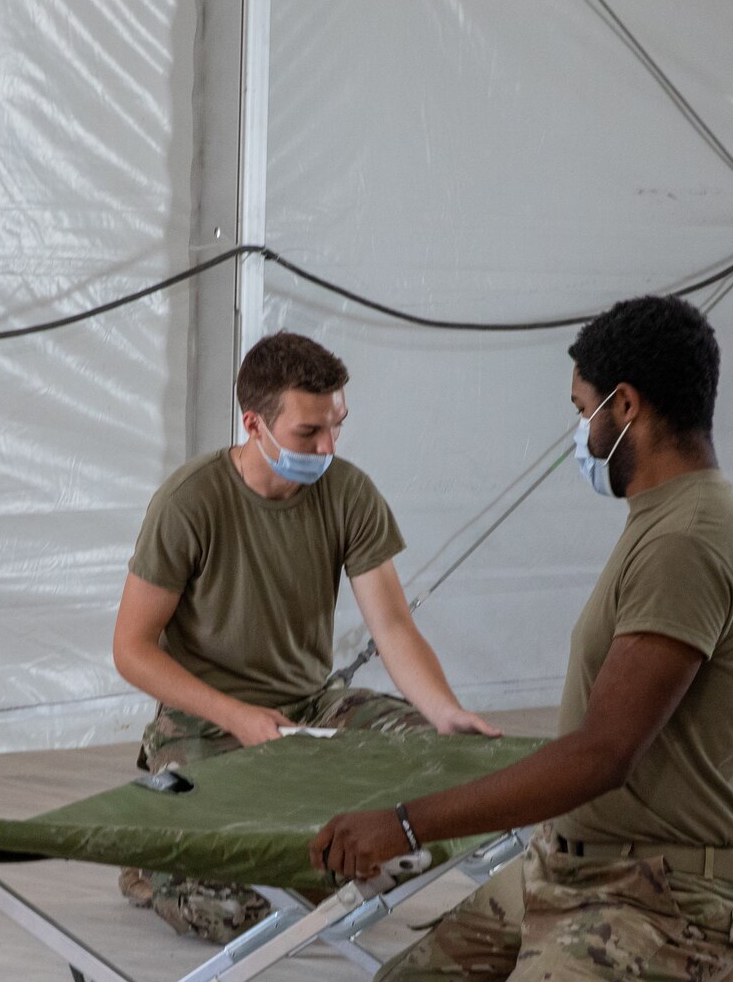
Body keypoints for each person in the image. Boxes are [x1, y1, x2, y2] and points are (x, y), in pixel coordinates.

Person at [310, 295, 733, 982]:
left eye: (583, 412)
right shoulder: (659, 522)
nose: (580, 437)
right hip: (570, 865)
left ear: (627, 408)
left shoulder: (688, 539)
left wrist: (410, 821)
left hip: (654, 890)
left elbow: (600, 752)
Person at [112, 331, 497, 943]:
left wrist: (444, 711)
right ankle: (156, 854)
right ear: (254, 425)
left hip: (312, 708)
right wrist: (236, 715)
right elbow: (131, 649)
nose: (327, 447)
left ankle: (315, 859)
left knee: (454, 774)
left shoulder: (348, 492)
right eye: (308, 434)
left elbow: (393, 626)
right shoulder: (190, 502)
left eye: (336, 427)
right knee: (229, 910)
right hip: (206, 720)